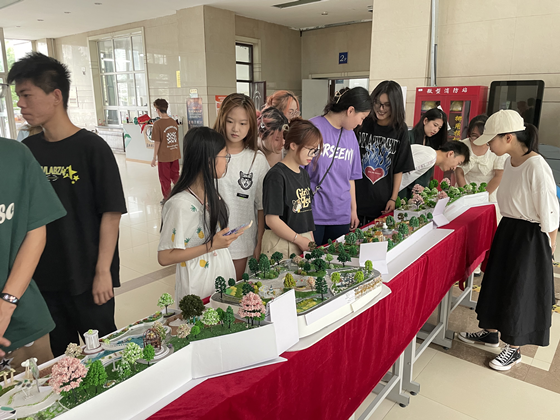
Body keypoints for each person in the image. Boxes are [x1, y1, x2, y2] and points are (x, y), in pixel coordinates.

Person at [8, 52, 127, 357]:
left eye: (26, 95)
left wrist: (103, 271)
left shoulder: (92, 148)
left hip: (87, 275)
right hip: (45, 280)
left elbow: (111, 213)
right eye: (18, 96)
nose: (20, 104)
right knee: (64, 358)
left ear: (56, 96)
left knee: (104, 354)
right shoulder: (27, 151)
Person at [458, 110, 559, 371]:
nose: (489, 146)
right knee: (497, 283)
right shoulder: (510, 161)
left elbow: (550, 212)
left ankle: (514, 349)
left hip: (530, 235)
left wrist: (549, 248)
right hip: (508, 228)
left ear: (509, 137)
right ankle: (490, 333)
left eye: (492, 140)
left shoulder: (536, 166)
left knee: (519, 290)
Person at [0, 138, 66, 371]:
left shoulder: (15, 155)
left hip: (21, 322)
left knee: (43, 389)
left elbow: (35, 233)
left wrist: (7, 305)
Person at [158, 127, 243, 301]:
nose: (226, 162)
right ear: (209, 161)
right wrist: (211, 245)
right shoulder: (179, 204)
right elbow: (164, 257)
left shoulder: (211, 194)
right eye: (225, 156)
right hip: (197, 284)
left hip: (220, 274)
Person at [214, 94, 269, 280]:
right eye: (230, 121)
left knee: (234, 290)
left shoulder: (257, 159)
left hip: (241, 242)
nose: (235, 128)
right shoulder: (210, 153)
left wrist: (259, 242)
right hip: (209, 240)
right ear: (222, 119)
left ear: (251, 125)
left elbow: (261, 206)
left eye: (243, 123)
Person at [307, 87, 372, 245]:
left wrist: (353, 210)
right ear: (350, 110)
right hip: (313, 214)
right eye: (361, 118)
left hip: (341, 216)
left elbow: (351, 178)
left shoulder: (351, 136)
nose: (360, 123)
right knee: (311, 259)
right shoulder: (312, 128)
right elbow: (297, 172)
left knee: (338, 257)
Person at [262, 118, 323, 257]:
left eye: (315, 150)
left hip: (303, 240)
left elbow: (306, 214)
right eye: (310, 149)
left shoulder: (304, 174)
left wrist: (310, 241)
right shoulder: (276, 175)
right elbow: (272, 220)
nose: (313, 155)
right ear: (293, 145)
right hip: (281, 243)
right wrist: (299, 240)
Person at [355, 80, 415, 223]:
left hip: (382, 202)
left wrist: (393, 198)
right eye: (377, 103)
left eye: (387, 105)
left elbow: (399, 168)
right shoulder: (362, 122)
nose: (381, 109)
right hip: (356, 199)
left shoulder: (400, 130)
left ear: (395, 105)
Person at [456, 115, 506, 203]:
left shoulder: (496, 147)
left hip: (488, 192)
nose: (478, 140)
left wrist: (482, 196)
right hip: (463, 190)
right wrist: (465, 194)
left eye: (482, 136)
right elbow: (459, 172)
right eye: (474, 136)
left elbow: (499, 175)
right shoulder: (462, 145)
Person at [400, 108, 448, 198]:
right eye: (435, 125)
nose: (436, 130)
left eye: (439, 128)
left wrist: (423, 188)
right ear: (425, 121)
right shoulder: (408, 136)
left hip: (419, 192)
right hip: (402, 187)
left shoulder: (431, 144)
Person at [399, 141, 470, 191]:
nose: (454, 168)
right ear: (450, 154)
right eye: (458, 163)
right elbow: (399, 171)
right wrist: (393, 198)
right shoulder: (430, 157)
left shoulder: (430, 155)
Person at [151, 99, 181, 202]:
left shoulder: (157, 124)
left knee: (164, 179)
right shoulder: (173, 122)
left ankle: (167, 198)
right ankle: (180, 194)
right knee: (176, 176)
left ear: (157, 110)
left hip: (164, 156)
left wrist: (154, 158)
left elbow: (157, 142)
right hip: (175, 154)